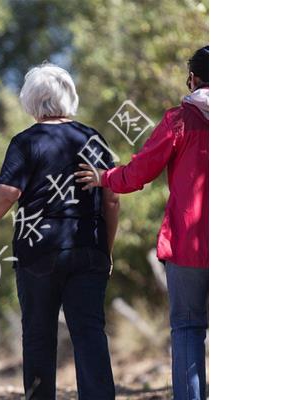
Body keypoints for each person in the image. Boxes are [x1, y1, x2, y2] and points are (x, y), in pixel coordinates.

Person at [0, 63, 119, 399]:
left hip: (38, 252)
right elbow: (112, 201)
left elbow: (8, 193)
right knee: (90, 334)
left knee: (38, 337)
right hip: (88, 250)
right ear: (70, 97)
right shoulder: (93, 138)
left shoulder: (26, 142)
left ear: (31, 101)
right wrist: (104, 251)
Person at [75, 45, 209, 400]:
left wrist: (104, 178)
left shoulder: (180, 121)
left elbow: (139, 172)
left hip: (189, 246)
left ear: (193, 79)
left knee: (188, 328)